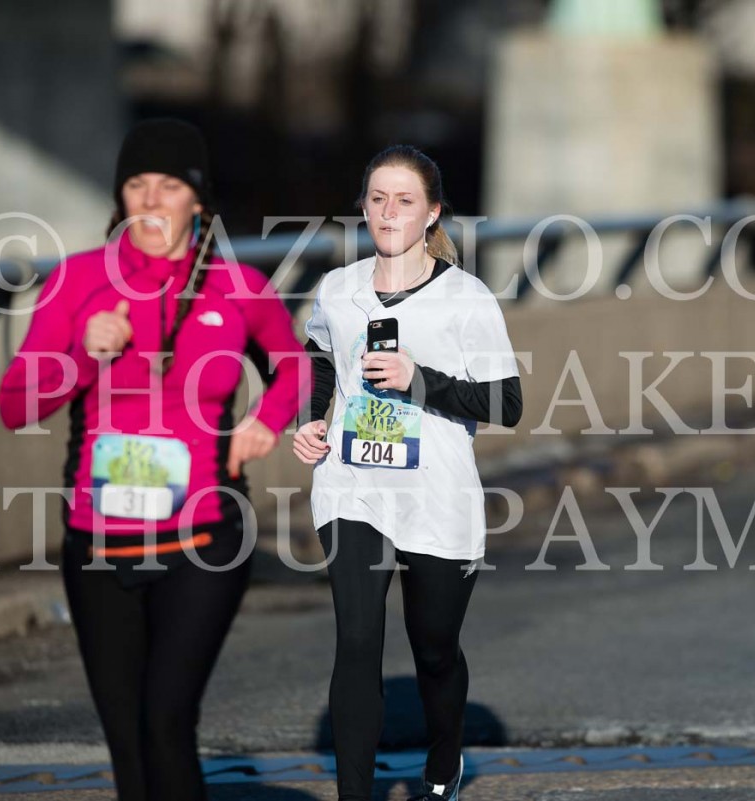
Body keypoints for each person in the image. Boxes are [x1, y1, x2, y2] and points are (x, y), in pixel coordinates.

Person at [0, 119, 309, 801]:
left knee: (166, 724)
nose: (150, 200)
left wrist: (265, 420)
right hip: (98, 547)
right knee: (128, 743)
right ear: (120, 196)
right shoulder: (78, 280)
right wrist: (83, 353)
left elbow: (297, 367)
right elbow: (14, 404)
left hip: (204, 543)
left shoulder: (238, 285)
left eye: (169, 185)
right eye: (136, 184)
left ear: (197, 200)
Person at [294, 145, 522, 801]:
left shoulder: (465, 297)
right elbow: (318, 357)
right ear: (363, 208)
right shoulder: (339, 289)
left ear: (432, 213)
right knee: (357, 639)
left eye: (404, 200)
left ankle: (444, 758)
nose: (389, 212)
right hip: (352, 485)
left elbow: (507, 403)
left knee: (435, 649)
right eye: (377, 199)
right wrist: (308, 420)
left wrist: (419, 379)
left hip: (435, 494)